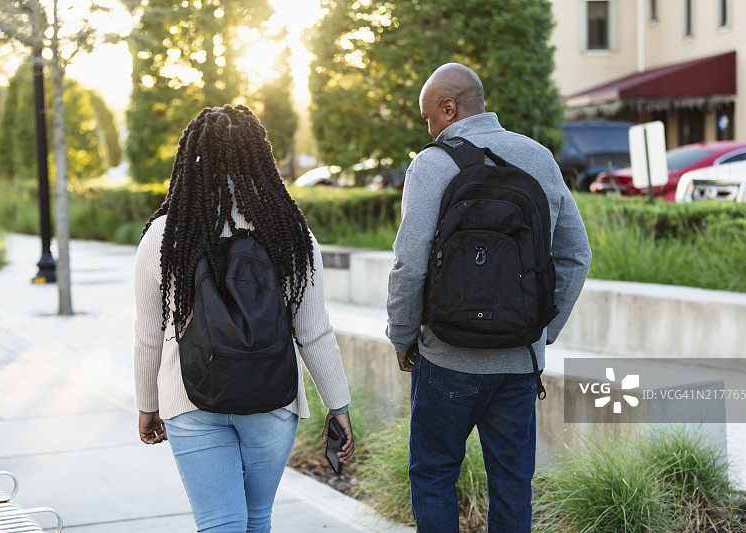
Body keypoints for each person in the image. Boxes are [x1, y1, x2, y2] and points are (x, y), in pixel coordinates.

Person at [386, 63, 591, 532]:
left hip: (446, 358)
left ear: (448, 108)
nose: (429, 128)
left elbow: (410, 265)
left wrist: (401, 335)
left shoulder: (432, 164)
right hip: (517, 363)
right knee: (513, 484)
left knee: (435, 473)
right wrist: (540, 331)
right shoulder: (538, 158)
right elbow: (576, 256)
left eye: (428, 118)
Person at [133, 104, 355, 533]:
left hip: (189, 397)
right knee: (256, 521)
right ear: (260, 156)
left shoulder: (165, 235)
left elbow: (148, 335)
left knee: (220, 524)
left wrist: (148, 405)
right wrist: (337, 404)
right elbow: (314, 331)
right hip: (271, 398)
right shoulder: (290, 232)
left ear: (190, 160)